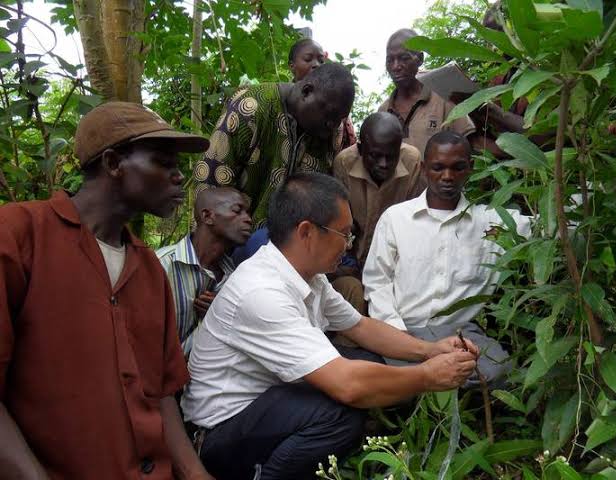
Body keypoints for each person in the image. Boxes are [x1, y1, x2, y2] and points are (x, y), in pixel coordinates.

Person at [182, 172, 479, 480]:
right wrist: (428, 376)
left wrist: (430, 351)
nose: (349, 245)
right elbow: (349, 386)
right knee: (340, 412)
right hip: (219, 432)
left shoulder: (309, 276)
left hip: (264, 405)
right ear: (307, 232)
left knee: (368, 363)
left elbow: (361, 327)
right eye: (344, 234)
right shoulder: (262, 292)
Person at [0, 101, 214, 479]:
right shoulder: (19, 234)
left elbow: (162, 393)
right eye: (164, 163)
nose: (179, 177)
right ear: (114, 163)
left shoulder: (149, 269)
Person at [363, 131, 532, 386]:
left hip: (461, 335)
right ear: (423, 169)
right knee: (391, 376)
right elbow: (377, 282)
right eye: (438, 167)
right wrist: (397, 333)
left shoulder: (490, 221)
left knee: (499, 371)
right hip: (403, 329)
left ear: (470, 168)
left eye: (457, 167)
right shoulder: (396, 219)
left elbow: (552, 226)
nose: (448, 176)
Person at [194, 62, 355, 228]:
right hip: (233, 237)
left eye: (340, 119)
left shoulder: (332, 133)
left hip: (292, 244)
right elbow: (210, 180)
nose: (333, 125)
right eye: (330, 115)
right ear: (307, 92)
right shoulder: (252, 106)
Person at [331, 112, 423, 314]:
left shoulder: (412, 161)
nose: (383, 164)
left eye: (391, 156)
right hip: (354, 260)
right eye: (375, 156)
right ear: (361, 149)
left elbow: (416, 224)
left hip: (397, 263)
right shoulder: (344, 163)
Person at [157, 187, 252, 357]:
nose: (248, 219)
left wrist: (220, 315)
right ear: (207, 216)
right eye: (238, 211)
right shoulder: (162, 265)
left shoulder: (237, 278)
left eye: (247, 212)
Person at [379, 28, 476, 158]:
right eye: (390, 60)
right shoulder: (383, 111)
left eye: (404, 58)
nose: (396, 66)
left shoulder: (444, 99)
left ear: (420, 59)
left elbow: (470, 146)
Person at [288, 37, 357, 150]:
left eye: (321, 61)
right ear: (292, 65)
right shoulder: (278, 102)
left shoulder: (339, 116)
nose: (316, 65)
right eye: (308, 59)